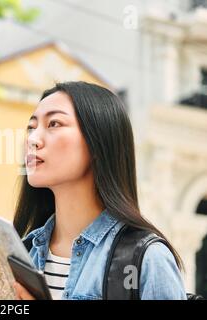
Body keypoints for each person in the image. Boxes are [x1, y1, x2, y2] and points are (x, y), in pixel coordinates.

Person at [12, 81, 186, 300]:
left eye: (54, 123)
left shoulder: (147, 259)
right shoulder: (19, 254)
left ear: (98, 142)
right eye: (31, 127)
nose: (33, 139)